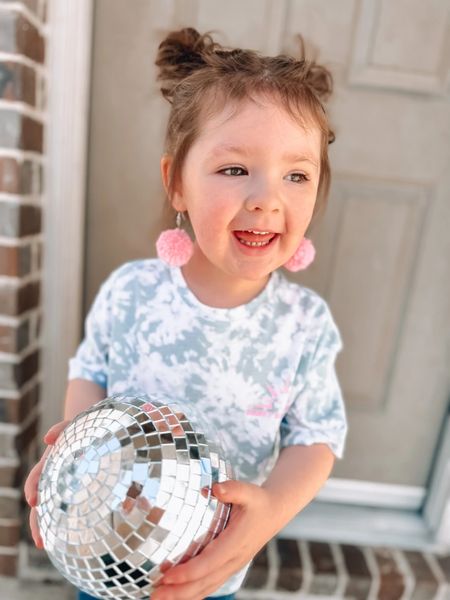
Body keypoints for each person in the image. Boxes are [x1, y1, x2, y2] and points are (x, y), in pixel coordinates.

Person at [25, 27, 347, 600]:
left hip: (210, 563)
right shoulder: (132, 293)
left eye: (296, 175)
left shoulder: (305, 326)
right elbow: (90, 371)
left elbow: (317, 435)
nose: (267, 198)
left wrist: (269, 511)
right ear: (176, 183)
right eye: (234, 169)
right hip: (108, 542)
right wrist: (69, 457)